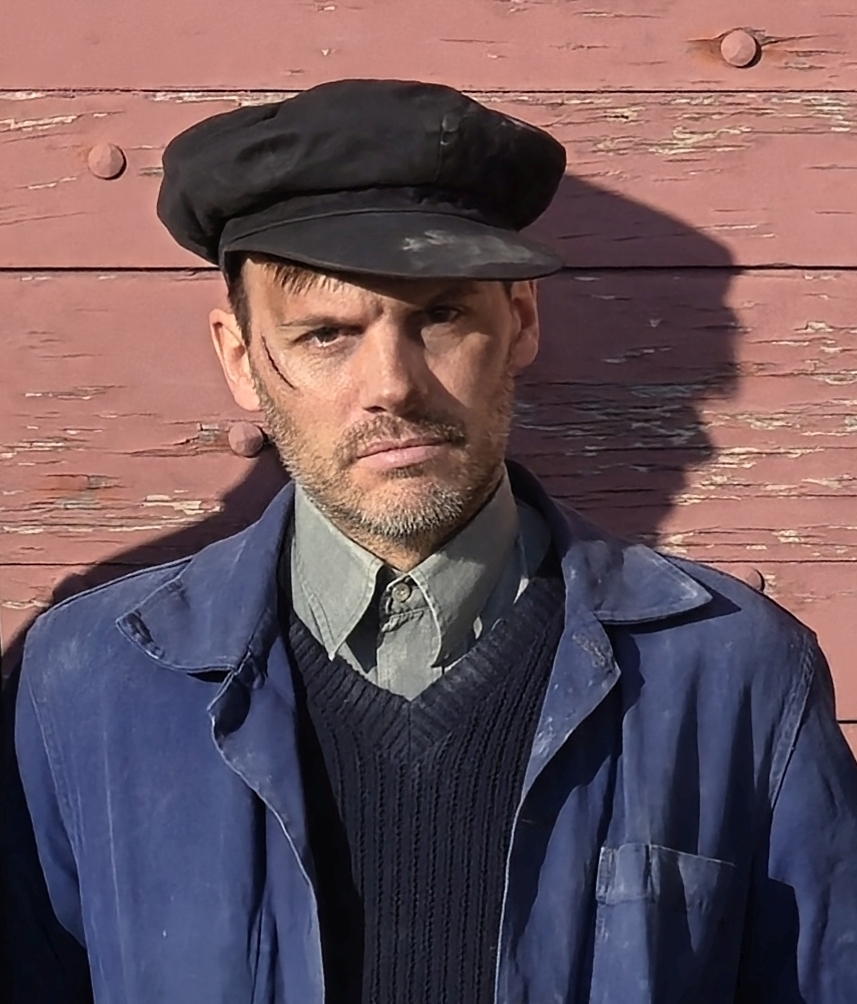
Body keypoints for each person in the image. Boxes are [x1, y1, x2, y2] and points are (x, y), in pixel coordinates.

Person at [3, 78, 857, 1004]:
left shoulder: (734, 673)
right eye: (325, 334)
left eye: (439, 316)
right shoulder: (87, 687)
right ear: (242, 360)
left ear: (518, 321)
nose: (393, 386)